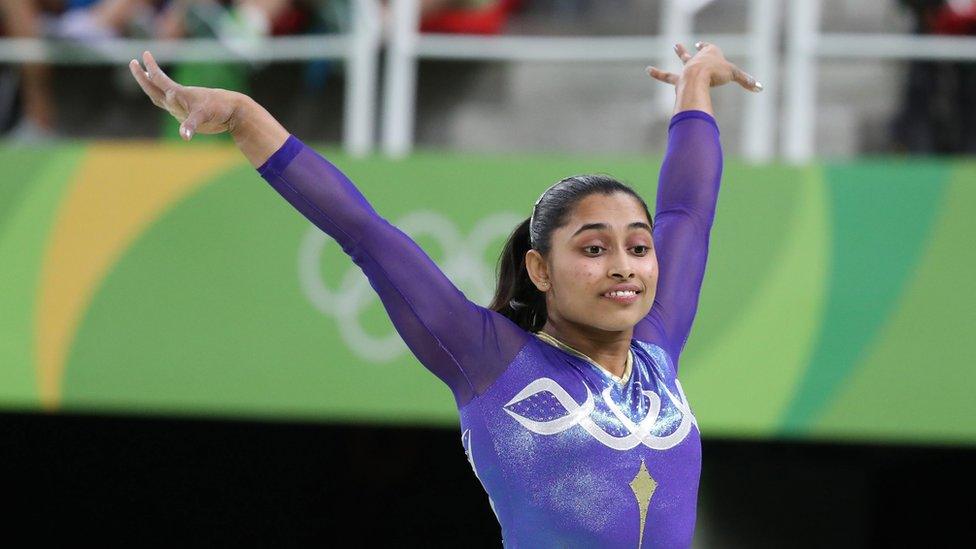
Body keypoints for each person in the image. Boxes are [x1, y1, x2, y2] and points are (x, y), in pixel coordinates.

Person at [128, 41, 761, 547]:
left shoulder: (657, 345)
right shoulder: (492, 360)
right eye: (594, 249)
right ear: (540, 270)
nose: (625, 267)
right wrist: (244, 118)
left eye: (639, 248)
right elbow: (365, 235)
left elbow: (687, 211)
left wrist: (696, 84)